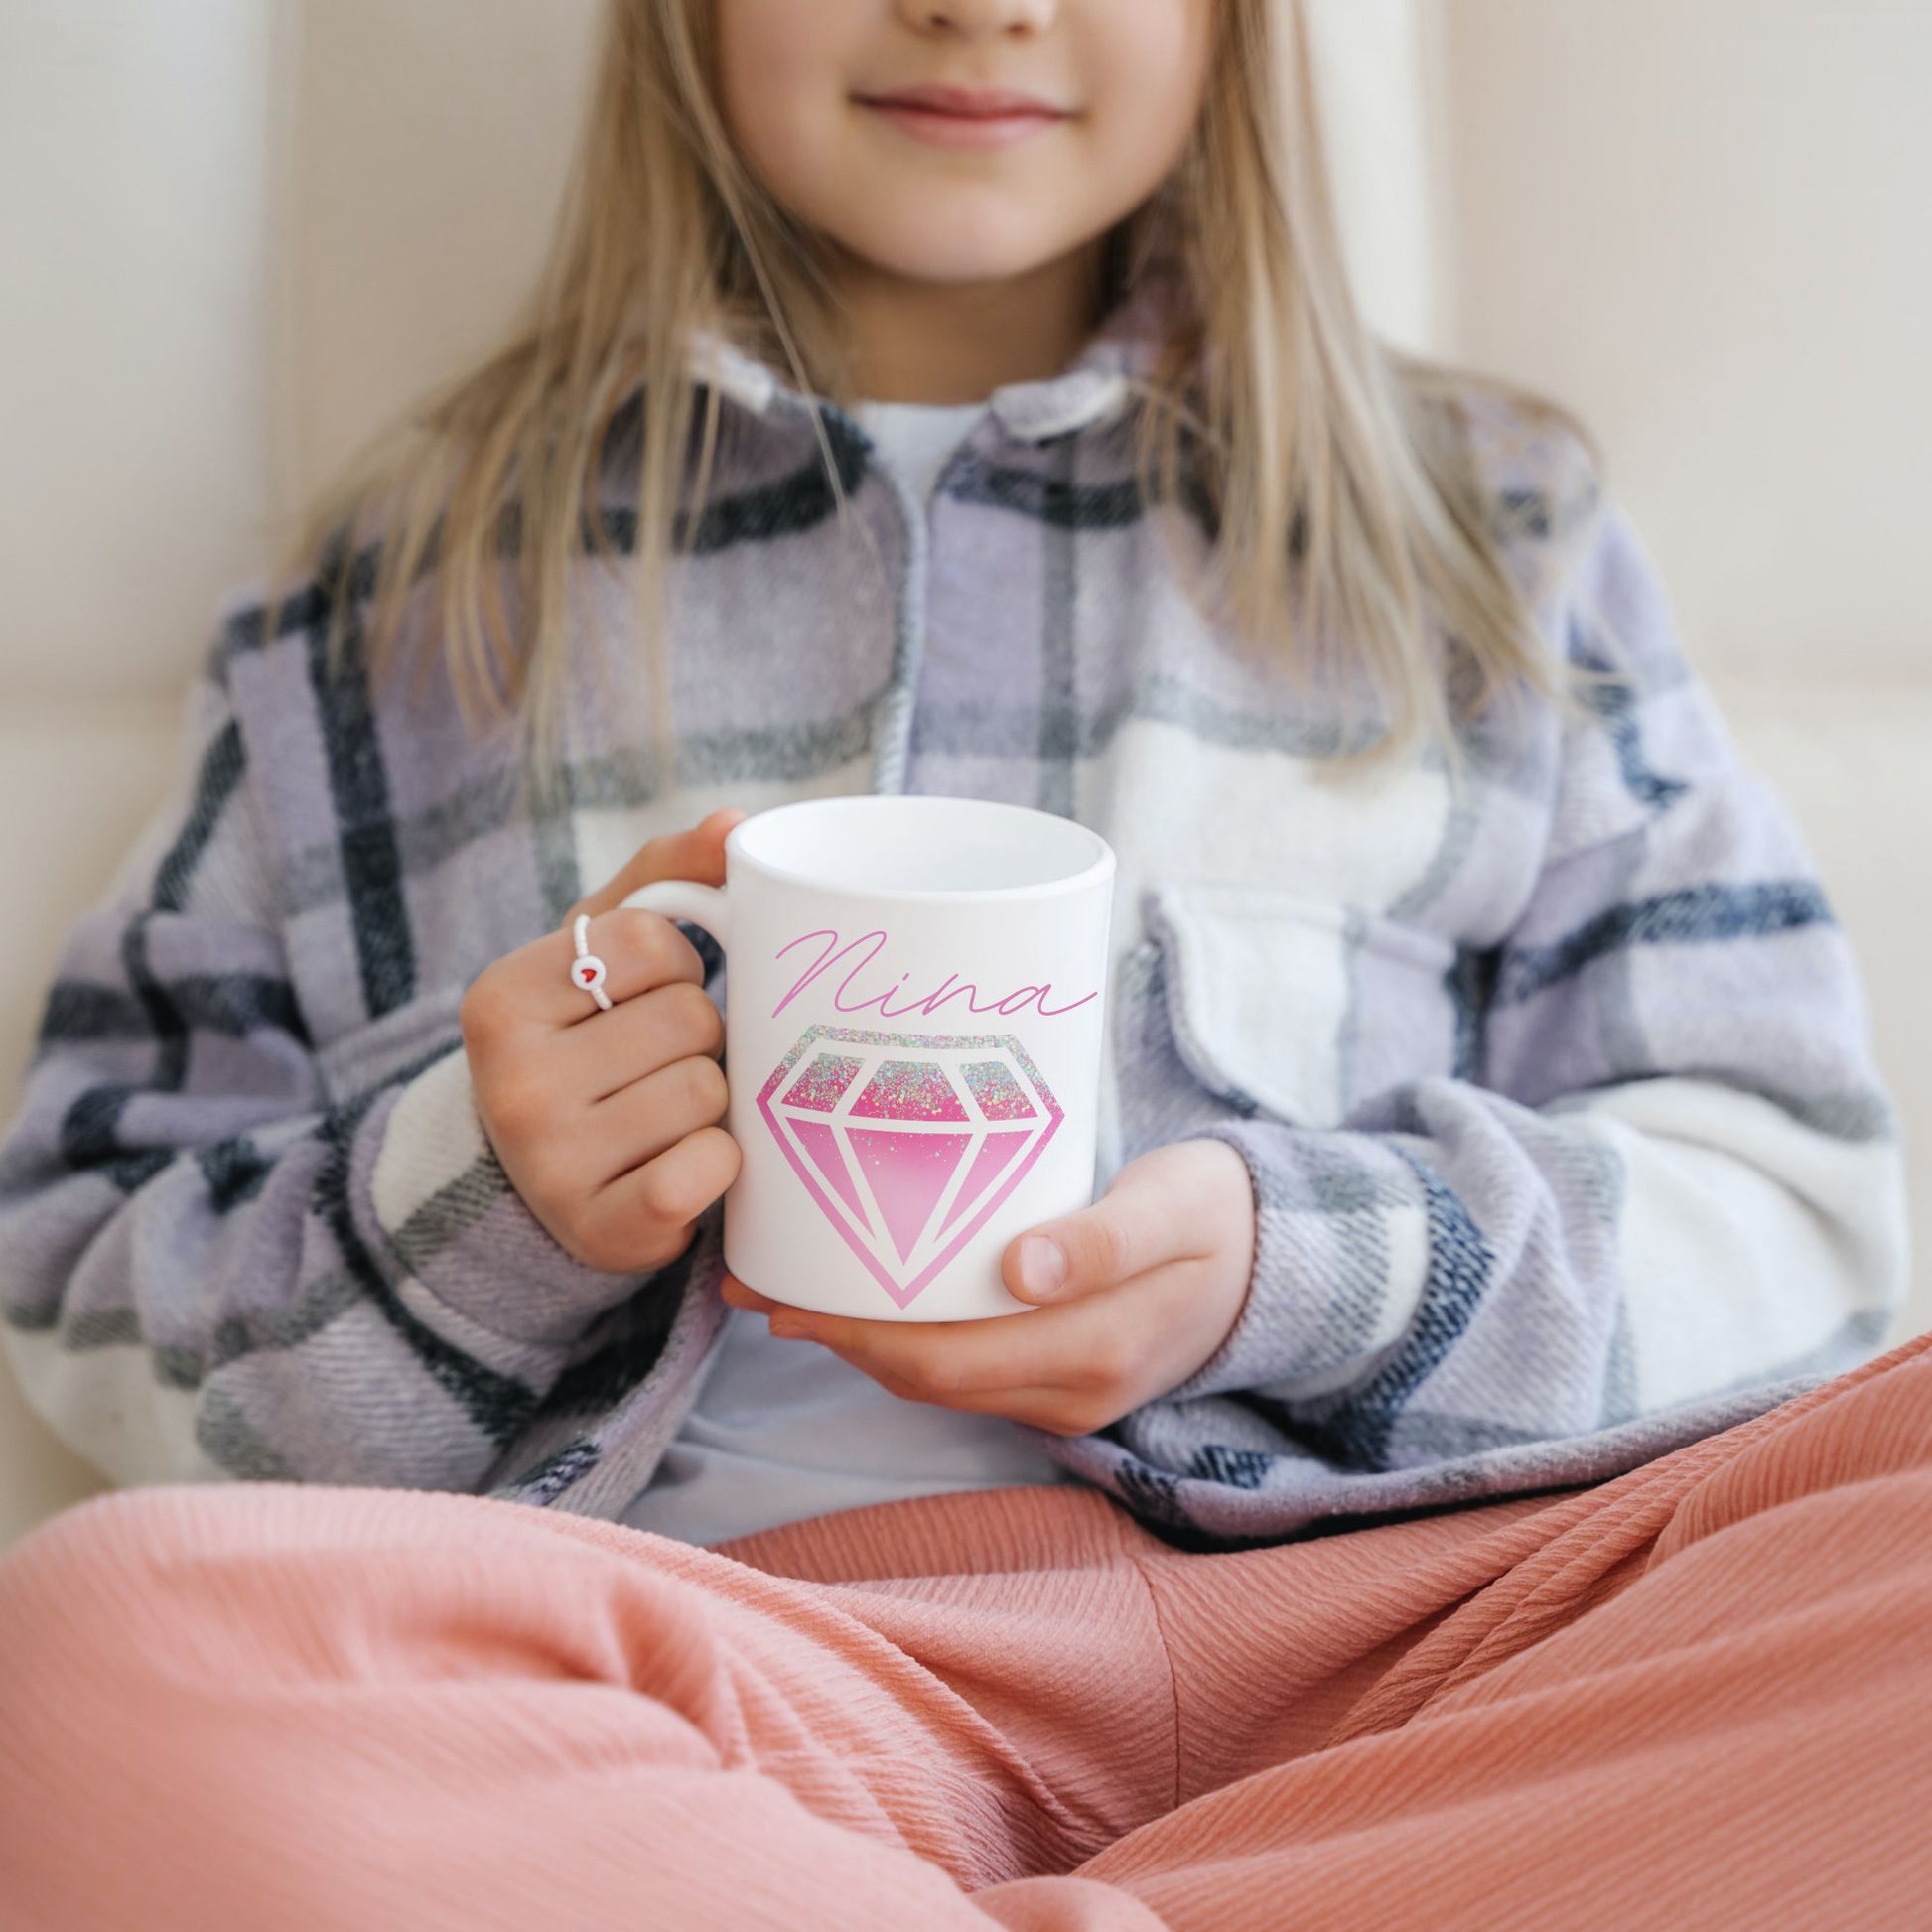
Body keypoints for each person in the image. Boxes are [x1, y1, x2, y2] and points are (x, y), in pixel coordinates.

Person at [0, 1, 1922, 1925]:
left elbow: (1800, 1224)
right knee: (103, 1640)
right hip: (729, 1685)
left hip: (1423, 1666)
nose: (978, 3)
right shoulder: (400, 599)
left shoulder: (1486, 541)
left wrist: (1303, 1266)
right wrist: (478, 1200)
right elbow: (90, 1283)